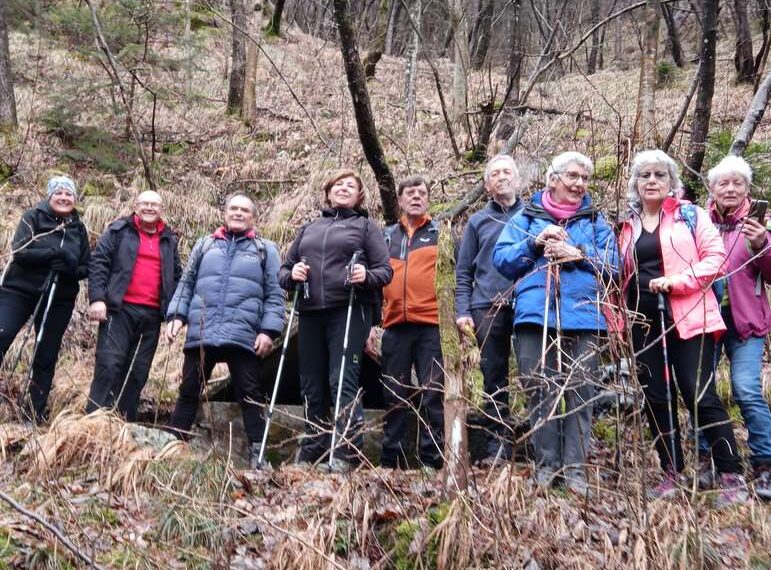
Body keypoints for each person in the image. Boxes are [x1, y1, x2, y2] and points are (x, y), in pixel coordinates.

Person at [618, 149, 748, 506]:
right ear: (636, 182)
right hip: (643, 322)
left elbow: (716, 260)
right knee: (656, 398)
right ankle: (672, 471)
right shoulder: (626, 226)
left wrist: (677, 281)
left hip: (690, 317)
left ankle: (730, 473)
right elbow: (620, 279)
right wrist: (619, 321)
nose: (652, 181)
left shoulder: (691, 216)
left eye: (660, 175)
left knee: (698, 393)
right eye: (645, 175)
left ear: (671, 181)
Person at [493, 151, 618, 495]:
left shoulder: (595, 221)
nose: (580, 184)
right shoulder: (527, 216)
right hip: (534, 315)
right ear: (553, 180)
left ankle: (576, 470)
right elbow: (501, 259)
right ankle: (547, 467)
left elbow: (616, 267)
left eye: (584, 179)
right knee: (539, 390)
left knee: (581, 393)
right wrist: (534, 243)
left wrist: (578, 254)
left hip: (584, 316)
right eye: (573, 177)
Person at [279, 169, 392, 472]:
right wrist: (293, 274)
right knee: (310, 381)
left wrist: (365, 275)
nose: (343, 189)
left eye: (350, 186)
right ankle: (313, 445)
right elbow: (284, 271)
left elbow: (385, 271)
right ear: (328, 192)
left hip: (350, 309)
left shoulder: (366, 227)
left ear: (359, 196)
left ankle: (345, 450)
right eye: (338, 185)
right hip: (312, 310)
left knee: (341, 378)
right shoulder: (310, 228)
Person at [165, 192, 284, 468]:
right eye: (234, 208)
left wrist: (268, 330)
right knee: (189, 390)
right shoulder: (205, 245)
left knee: (250, 393)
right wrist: (176, 315)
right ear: (225, 213)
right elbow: (187, 282)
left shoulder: (265, 249)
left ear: (252, 216)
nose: (238, 213)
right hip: (202, 332)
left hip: (243, 334)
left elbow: (274, 294)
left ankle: (259, 452)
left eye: (244, 210)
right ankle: (173, 446)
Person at [706, 155, 771, 500]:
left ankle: (765, 463)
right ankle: (708, 456)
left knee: (746, 389)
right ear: (712, 188)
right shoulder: (698, 220)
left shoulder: (761, 224)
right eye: (723, 183)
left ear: (747, 188)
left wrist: (763, 245)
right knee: (702, 390)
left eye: (738, 183)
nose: (730, 188)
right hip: (705, 321)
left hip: (747, 322)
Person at [368, 175, 444, 470]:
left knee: (433, 392)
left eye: (421, 192)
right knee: (394, 393)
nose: (415, 197)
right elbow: (374, 283)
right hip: (395, 325)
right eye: (409, 193)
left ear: (427, 199)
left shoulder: (441, 233)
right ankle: (391, 459)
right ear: (399, 200)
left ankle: (432, 459)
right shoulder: (385, 237)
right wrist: (373, 325)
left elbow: (457, 278)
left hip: (432, 324)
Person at [85, 190, 182, 421]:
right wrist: (97, 298)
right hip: (119, 311)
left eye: (154, 205)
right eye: (145, 203)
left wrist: (175, 315)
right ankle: (94, 420)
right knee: (110, 364)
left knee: (138, 371)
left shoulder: (169, 240)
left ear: (161, 209)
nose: (149, 208)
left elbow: (177, 277)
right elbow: (99, 262)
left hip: (151, 316)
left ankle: (123, 422)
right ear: (136, 206)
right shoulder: (118, 231)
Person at [0, 175, 90, 422]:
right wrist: (51, 253)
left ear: (75, 199)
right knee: (2, 334)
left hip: (59, 297)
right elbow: (20, 251)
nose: (64, 197)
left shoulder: (78, 228)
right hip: (19, 290)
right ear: (49, 196)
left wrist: (69, 265)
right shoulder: (33, 217)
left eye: (69, 194)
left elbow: (86, 267)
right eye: (58, 193)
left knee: (46, 353)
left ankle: (33, 411)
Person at [455, 154, 523, 465]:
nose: (501, 177)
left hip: (528, 306)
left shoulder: (533, 215)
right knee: (493, 375)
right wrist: (462, 309)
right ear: (486, 184)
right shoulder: (477, 221)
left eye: (507, 172)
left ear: (518, 179)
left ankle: (544, 441)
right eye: (494, 173)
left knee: (535, 374)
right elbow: (464, 271)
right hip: (486, 305)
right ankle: (498, 444)